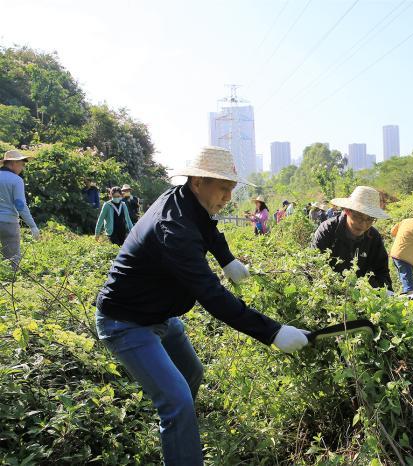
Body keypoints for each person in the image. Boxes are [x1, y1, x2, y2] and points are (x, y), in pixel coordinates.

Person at [95, 146, 309, 465]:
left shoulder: (185, 199)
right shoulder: (174, 228)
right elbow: (211, 295)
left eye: (231, 189)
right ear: (198, 181)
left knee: (191, 372)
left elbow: (209, 227)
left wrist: (228, 260)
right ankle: (177, 425)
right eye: (222, 188)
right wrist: (273, 332)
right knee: (177, 402)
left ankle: (179, 431)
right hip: (126, 322)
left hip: (161, 315)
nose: (227, 196)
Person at [312, 186, 393, 292]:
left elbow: (381, 271)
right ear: (347, 211)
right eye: (359, 217)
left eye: (370, 219)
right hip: (330, 293)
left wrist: (386, 295)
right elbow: (314, 267)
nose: (364, 225)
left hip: (361, 297)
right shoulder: (327, 230)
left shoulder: (374, 237)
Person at [0, 150, 40, 269]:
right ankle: (12, 282)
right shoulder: (16, 180)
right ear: (13, 163)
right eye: (22, 164)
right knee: (12, 261)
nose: (22, 168)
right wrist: (32, 226)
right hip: (9, 224)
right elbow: (20, 205)